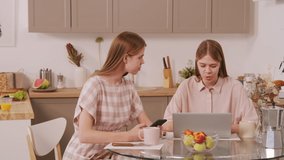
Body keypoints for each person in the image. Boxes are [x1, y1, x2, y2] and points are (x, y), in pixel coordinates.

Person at [63, 31, 152, 160]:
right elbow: (84, 135)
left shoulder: (128, 86)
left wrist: (164, 129)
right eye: (140, 57)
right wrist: (128, 136)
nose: (143, 61)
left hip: (112, 152)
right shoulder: (95, 85)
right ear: (125, 58)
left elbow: (145, 123)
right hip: (86, 155)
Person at [162, 39, 258, 134]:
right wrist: (208, 127)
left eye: (213, 66)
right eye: (202, 65)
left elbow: (252, 125)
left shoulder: (235, 87)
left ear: (220, 64)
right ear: (197, 63)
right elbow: (166, 123)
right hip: (192, 146)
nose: (207, 71)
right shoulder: (186, 86)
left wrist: (225, 128)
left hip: (228, 147)